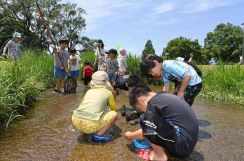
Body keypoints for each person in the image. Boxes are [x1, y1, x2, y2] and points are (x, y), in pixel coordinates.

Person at [124, 85, 198, 161]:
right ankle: (165, 150)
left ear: (141, 100)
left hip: (182, 147)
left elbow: (147, 129)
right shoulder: (163, 97)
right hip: (188, 143)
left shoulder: (152, 106)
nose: (142, 110)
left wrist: (130, 135)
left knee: (144, 117)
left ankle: (159, 156)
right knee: (150, 119)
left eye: (139, 108)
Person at [72, 71, 118, 142]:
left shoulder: (89, 91)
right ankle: (98, 135)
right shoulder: (108, 93)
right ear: (105, 82)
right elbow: (114, 109)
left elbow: (81, 106)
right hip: (90, 126)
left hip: (75, 122)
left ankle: (85, 132)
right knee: (115, 115)